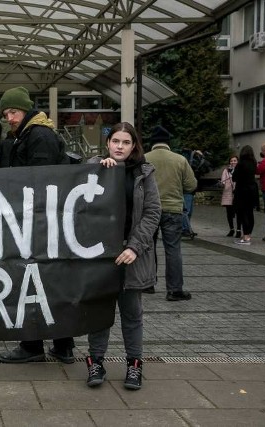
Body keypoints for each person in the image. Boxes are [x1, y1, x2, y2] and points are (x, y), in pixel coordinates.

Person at [0, 86, 74, 364]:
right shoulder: (29, 134)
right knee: (48, 284)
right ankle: (62, 345)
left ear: (25, 110)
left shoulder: (38, 135)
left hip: (37, 223)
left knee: (31, 283)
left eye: (13, 112)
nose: (10, 118)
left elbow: (38, 180)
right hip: (43, 222)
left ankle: (32, 345)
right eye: (6, 114)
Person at [85, 122, 161, 390]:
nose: (119, 146)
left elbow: (152, 213)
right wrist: (98, 171)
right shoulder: (93, 167)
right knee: (99, 312)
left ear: (134, 146)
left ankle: (134, 365)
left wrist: (134, 247)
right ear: (108, 143)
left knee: (132, 313)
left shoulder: (145, 173)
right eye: (115, 141)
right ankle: (96, 362)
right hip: (101, 255)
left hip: (132, 254)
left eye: (126, 142)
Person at [145, 125, 196, 301]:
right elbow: (191, 185)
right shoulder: (180, 160)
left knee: (148, 247)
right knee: (173, 250)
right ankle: (174, 290)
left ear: (152, 143)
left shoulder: (144, 159)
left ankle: (147, 284)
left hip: (149, 210)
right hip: (173, 210)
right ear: (168, 143)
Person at [232, 145, 259, 245]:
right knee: (250, 213)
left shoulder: (241, 164)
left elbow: (234, 178)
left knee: (243, 213)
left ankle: (246, 236)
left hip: (242, 191)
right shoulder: (254, 163)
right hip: (252, 190)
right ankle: (248, 235)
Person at [219, 155, 240, 237]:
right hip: (228, 193)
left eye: (235, 160)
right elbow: (223, 181)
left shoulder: (239, 170)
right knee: (229, 213)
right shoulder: (226, 170)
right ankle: (231, 229)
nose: (233, 162)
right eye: (231, 161)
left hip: (237, 193)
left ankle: (238, 230)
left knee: (238, 212)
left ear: (237, 161)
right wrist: (222, 184)